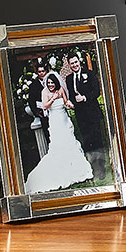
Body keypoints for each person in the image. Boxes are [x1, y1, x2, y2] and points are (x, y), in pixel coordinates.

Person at [24, 55, 95, 194]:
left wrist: (68, 104)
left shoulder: (61, 90)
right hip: (54, 121)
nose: (50, 84)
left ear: (56, 82)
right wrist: (53, 99)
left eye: (52, 82)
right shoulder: (44, 92)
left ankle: (76, 169)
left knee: (70, 142)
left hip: (64, 119)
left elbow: (66, 101)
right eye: (48, 82)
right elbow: (45, 106)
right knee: (58, 145)